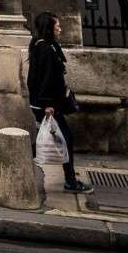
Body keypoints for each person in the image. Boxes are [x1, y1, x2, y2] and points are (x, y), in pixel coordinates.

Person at [27, 11, 92, 193]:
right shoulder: (45, 49)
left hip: (47, 104)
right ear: (49, 28)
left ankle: (16, 160)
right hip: (48, 106)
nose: (60, 29)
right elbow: (44, 79)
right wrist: (48, 105)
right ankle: (70, 181)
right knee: (64, 139)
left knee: (52, 139)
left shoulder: (45, 46)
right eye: (57, 26)